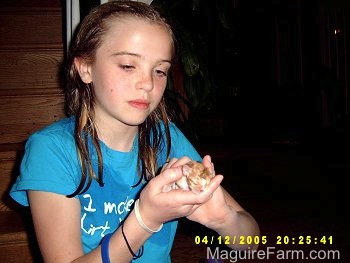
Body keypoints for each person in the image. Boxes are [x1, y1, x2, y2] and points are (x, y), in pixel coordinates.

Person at [10, 1, 260, 262]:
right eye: (129, 66)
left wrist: (224, 220)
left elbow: (251, 242)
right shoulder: (51, 150)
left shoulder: (168, 140)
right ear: (86, 68)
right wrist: (145, 219)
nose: (148, 84)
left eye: (160, 70)